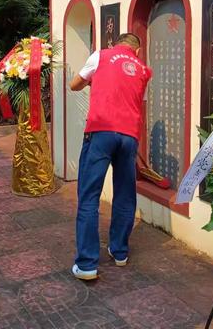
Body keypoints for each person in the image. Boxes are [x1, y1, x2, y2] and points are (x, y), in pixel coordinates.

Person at [69, 33, 152, 280]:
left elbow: (75, 84)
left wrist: (93, 81)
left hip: (101, 131)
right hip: (129, 136)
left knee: (89, 195)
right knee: (125, 193)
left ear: (115, 44)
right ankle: (119, 252)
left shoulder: (101, 56)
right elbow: (139, 102)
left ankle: (86, 264)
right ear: (136, 51)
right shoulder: (143, 70)